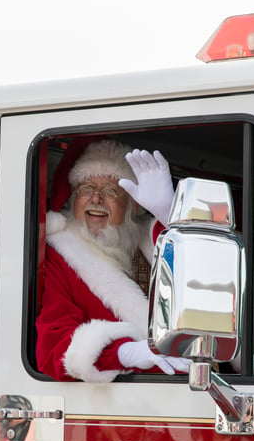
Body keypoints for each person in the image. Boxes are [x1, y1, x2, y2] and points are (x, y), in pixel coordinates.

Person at [35, 139, 189, 381]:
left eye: (110, 191)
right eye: (86, 188)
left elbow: (201, 284)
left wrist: (172, 219)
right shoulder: (58, 254)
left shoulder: (154, 239)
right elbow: (53, 348)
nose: (96, 199)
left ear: (133, 206)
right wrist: (125, 353)